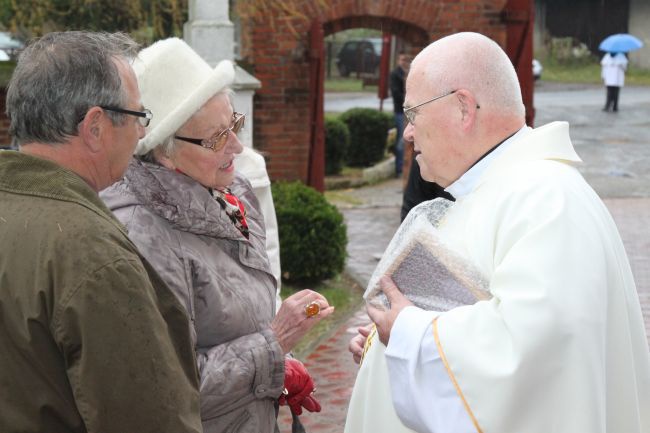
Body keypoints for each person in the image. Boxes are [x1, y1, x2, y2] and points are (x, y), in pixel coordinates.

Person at [347, 32, 650, 433]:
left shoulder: (547, 200)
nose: (407, 132)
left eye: (413, 112)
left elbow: (534, 352)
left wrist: (408, 333)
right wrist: (386, 346)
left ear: (463, 107)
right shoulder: (496, 190)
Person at [100, 38, 333, 433]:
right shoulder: (142, 235)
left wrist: (280, 368)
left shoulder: (231, 192)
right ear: (163, 152)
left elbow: (239, 320)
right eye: (215, 138)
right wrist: (274, 343)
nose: (238, 146)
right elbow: (165, 389)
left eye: (235, 124)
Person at [0, 31, 202, 433]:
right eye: (138, 117)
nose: (142, 133)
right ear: (95, 127)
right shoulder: (91, 255)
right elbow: (149, 419)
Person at [390, 52, 410, 177]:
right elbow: (396, 93)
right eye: (402, 59)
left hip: (408, 111)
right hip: (400, 111)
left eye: (406, 59)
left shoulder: (409, 73)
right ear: (398, 60)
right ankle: (399, 169)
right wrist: (409, 101)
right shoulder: (395, 74)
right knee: (401, 140)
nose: (404, 62)